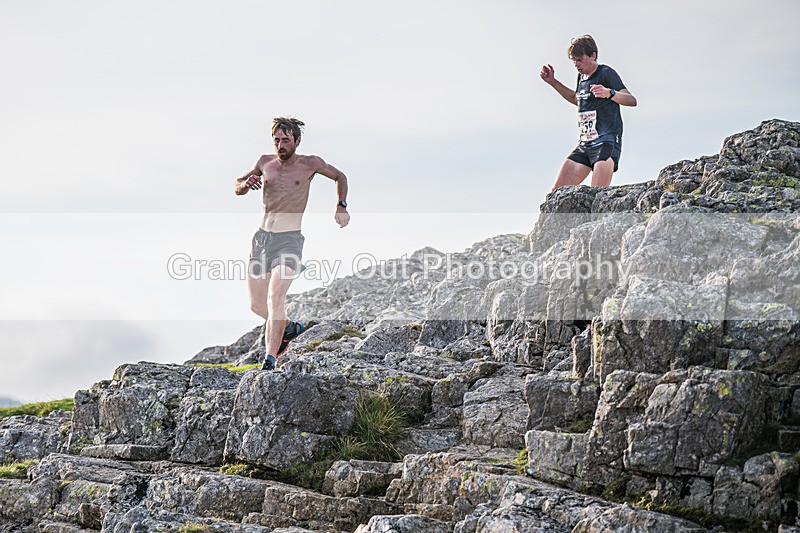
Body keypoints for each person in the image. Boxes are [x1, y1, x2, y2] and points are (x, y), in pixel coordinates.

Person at [235, 117, 350, 370]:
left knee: (276, 295)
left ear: (297, 141)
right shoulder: (264, 162)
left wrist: (341, 205)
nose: (280, 145)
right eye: (276, 140)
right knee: (257, 306)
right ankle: (286, 327)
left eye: (285, 140)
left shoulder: (311, 164)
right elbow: (237, 186)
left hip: (289, 241)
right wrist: (245, 185)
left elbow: (339, 176)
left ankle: (270, 359)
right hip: (262, 239)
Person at [540, 35, 637, 190]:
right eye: (573, 60)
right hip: (585, 144)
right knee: (555, 195)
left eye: (579, 59)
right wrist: (553, 82)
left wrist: (610, 93)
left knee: (596, 196)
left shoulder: (606, 73)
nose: (576, 64)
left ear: (593, 56)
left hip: (606, 143)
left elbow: (631, 100)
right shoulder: (581, 77)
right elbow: (576, 99)